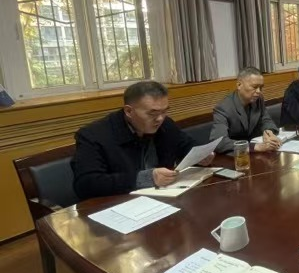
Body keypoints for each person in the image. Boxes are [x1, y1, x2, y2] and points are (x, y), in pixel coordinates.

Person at [72, 81, 212, 200]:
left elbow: (185, 144)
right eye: (152, 113)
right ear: (129, 111)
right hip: (121, 204)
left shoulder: (165, 124)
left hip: (164, 198)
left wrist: (201, 155)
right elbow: (86, 184)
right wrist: (146, 178)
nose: (160, 119)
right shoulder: (93, 136)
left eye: (164, 111)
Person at [210, 67, 281, 154]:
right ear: (239, 85)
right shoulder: (223, 108)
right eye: (255, 87)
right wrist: (254, 147)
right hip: (235, 155)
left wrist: (268, 131)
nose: (259, 91)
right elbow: (218, 142)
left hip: (256, 153)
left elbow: (265, 119)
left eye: (261, 87)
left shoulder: (258, 99)